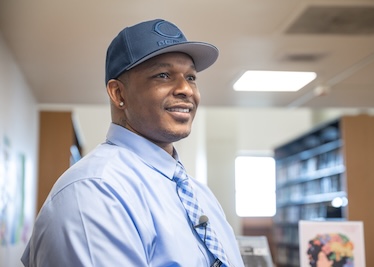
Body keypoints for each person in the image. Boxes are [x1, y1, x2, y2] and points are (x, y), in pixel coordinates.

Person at [21, 19, 245, 267]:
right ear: (118, 94)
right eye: (163, 75)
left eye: (191, 77)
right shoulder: (94, 192)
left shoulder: (201, 195)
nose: (186, 89)